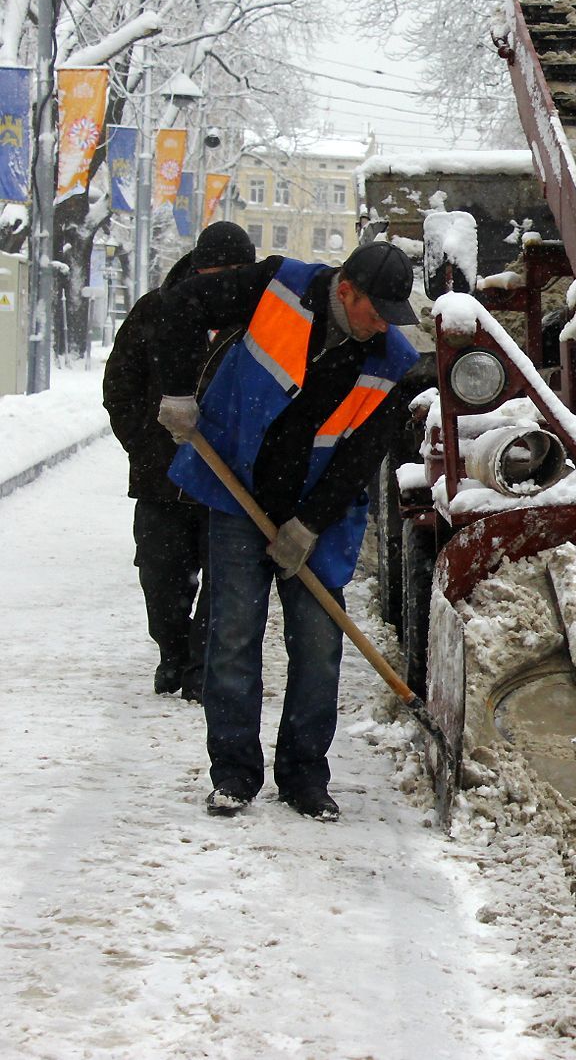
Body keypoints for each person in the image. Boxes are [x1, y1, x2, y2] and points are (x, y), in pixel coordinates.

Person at [155, 241, 420, 822]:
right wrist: (177, 389)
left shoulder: (391, 361)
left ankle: (303, 778)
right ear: (345, 290)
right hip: (238, 490)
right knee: (232, 638)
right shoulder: (276, 285)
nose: (382, 326)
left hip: (315, 516)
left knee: (320, 649)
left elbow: (360, 458)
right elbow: (178, 306)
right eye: (376, 311)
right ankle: (233, 775)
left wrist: (307, 525)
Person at [103, 221, 257, 702]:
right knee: (161, 576)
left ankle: (200, 665)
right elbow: (120, 386)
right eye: (219, 269)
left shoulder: (259, 322)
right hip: (161, 480)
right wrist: (147, 445)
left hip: (230, 482)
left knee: (224, 583)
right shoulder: (156, 311)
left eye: (238, 271)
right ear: (199, 266)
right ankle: (172, 651)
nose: (226, 281)